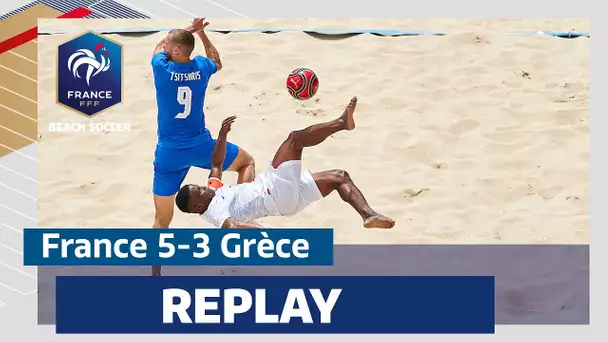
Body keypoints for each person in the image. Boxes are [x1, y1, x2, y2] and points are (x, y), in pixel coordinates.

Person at [175, 96, 395, 230]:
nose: (204, 187)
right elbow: (229, 228)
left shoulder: (212, 194)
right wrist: (261, 233)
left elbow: (216, 164)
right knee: (294, 139)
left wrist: (222, 135)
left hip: (284, 200)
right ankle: (341, 123)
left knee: (340, 177)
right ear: (197, 206)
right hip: (273, 192)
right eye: (199, 191)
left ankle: (368, 215)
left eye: (200, 186)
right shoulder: (213, 210)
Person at [150, 18, 256, 276]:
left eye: (169, 47)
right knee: (247, 162)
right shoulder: (201, 66)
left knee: (162, 220)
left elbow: (158, 48)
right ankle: (238, 216)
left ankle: (154, 275)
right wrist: (203, 35)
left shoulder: (161, 67)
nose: (164, 48)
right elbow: (217, 61)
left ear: (175, 51)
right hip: (201, 146)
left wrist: (187, 30)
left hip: (169, 154)